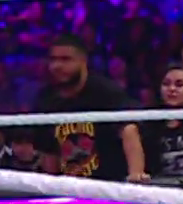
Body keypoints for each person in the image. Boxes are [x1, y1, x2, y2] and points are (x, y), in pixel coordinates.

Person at [31, 35, 148, 183]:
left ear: (83, 61)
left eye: (66, 59)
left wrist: (136, 175)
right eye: (53, 59)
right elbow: (49, 153)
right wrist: (50, 186)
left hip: (107, 185)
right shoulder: (46, 99)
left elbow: (129, 130)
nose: (57, 66)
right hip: (68, 186)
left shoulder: (105, 92)